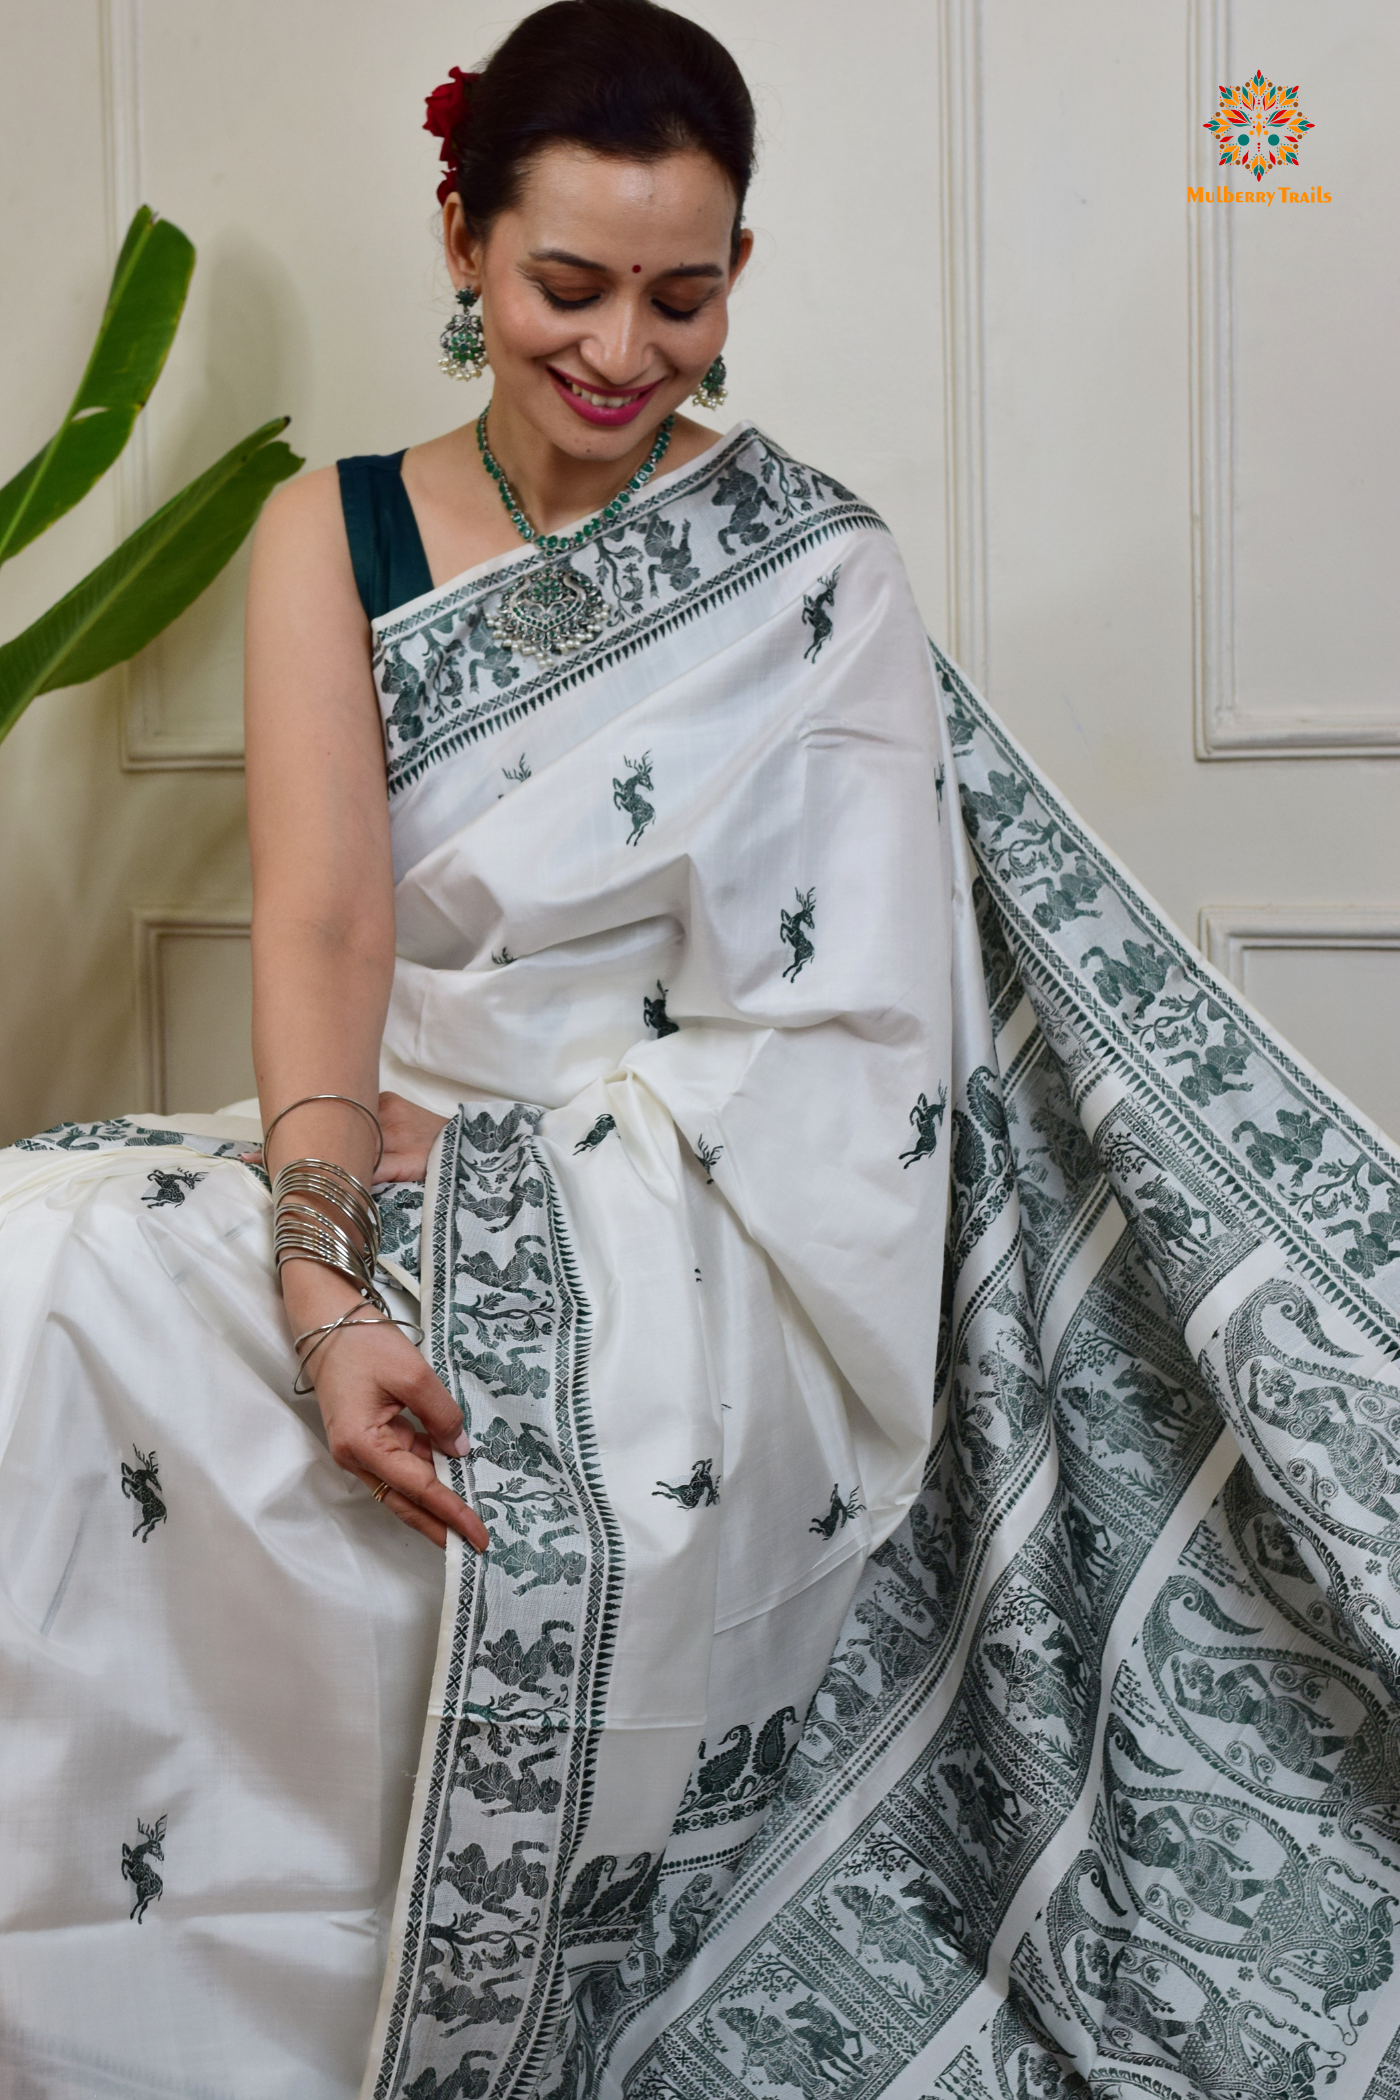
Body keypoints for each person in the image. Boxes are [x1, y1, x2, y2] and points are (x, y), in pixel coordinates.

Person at [3, 5, 1399, 2099]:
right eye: (566, 284)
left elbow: (857, 1042)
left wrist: (522, 1170)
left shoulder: (809, 565)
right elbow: (325, 921)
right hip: (374, 1125)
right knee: (37, 1267)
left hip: (697, 1218)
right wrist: (318, 1272)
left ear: (738, 273)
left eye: (682, 291)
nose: (621, 349)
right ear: (462, 239)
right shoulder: (336, 531)